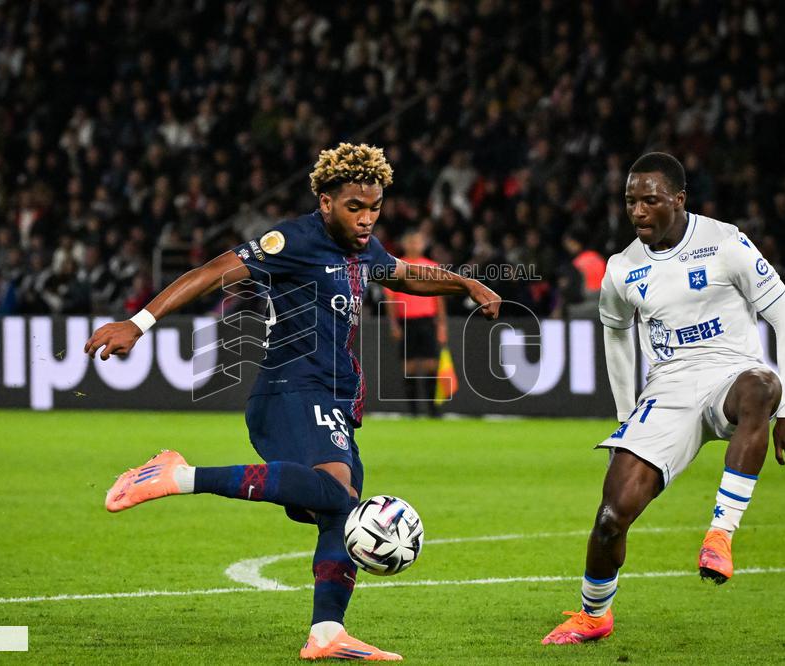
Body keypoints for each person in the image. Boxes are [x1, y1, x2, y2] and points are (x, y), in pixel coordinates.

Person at [85, 143, 501, 661]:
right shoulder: (292, 240)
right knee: (334, 493)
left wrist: (465, 283)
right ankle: (177, 475)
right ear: (325, 202)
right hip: (290, 388)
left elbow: (406, 275)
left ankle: (327, 632)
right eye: (355, 207)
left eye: (375, 207)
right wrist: (138, 322)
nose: (367, 218)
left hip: (336, 395)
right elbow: (213, 272)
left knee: (341, 512)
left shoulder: (362, 247)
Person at [542, 153, 785, 645]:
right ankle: (594, 613)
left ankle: (720, 535)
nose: (638, 211)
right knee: (609, 519)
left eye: (650, 200)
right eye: (630, 202)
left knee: (764, 386)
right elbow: (616, 336)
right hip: (668, 391)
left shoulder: (726, 243)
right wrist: (625, 416)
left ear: (679, 200)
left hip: (731, 376)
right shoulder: (623, 268)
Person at [383, 230, 448, 417]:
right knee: (409, 366)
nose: (414, 245)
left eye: (417, 242)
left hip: (427, 321)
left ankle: (432, 410)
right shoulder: (396, 266)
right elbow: (390, 300)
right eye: (410, 242)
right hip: (407, 322)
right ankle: (413, 411)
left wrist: (442, 325)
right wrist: (393, 324)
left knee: (431, 364)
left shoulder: (432, 267)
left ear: (423, 244)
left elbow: (439, 298)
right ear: (404, 244)